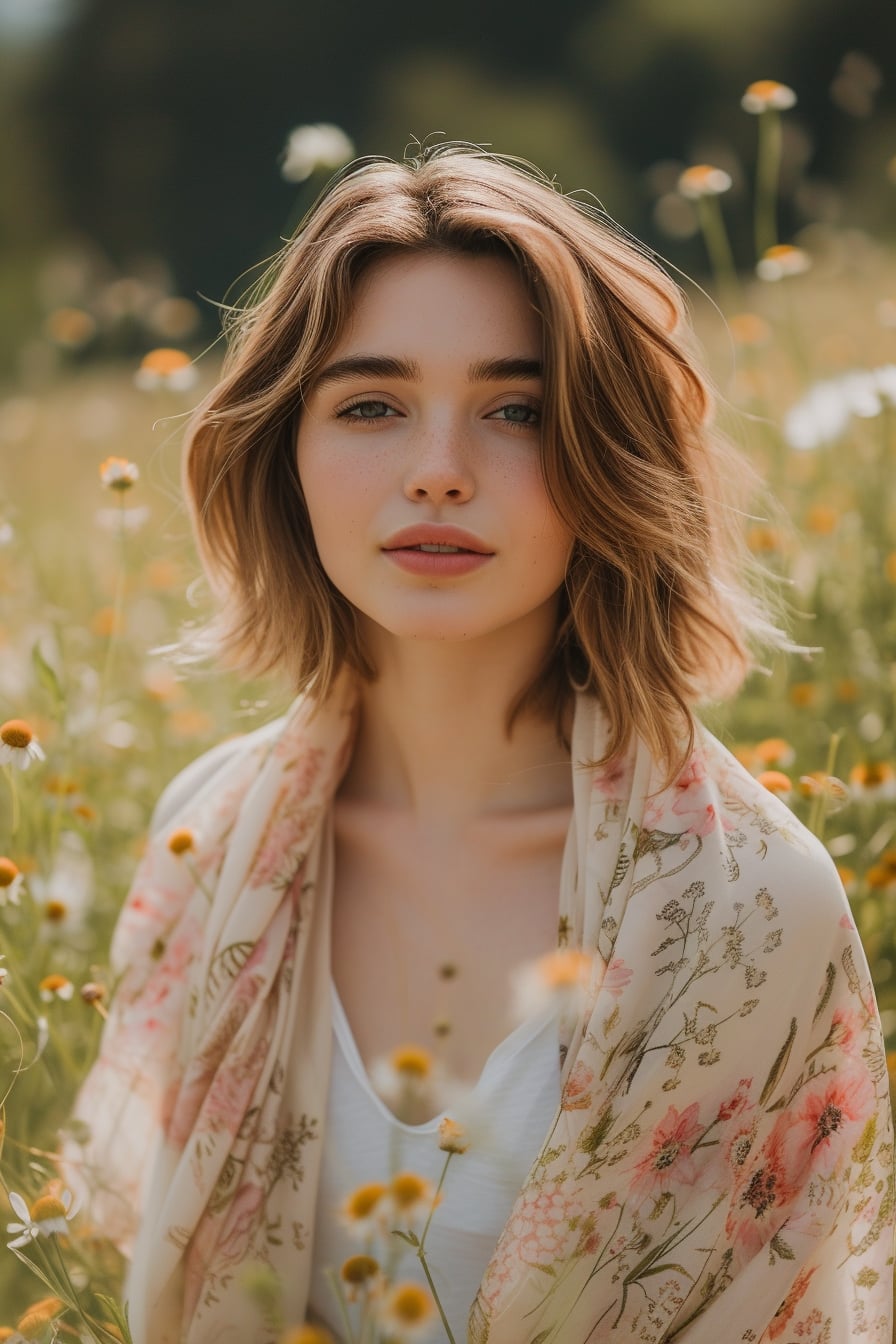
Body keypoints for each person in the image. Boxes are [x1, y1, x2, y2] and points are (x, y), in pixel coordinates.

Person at [68, 144, 894, 1344]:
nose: (439, 473)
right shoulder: (209, 838)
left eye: (515, 411)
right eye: (370, 406)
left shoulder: (755, 909)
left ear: (605, 458)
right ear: (283, 452)